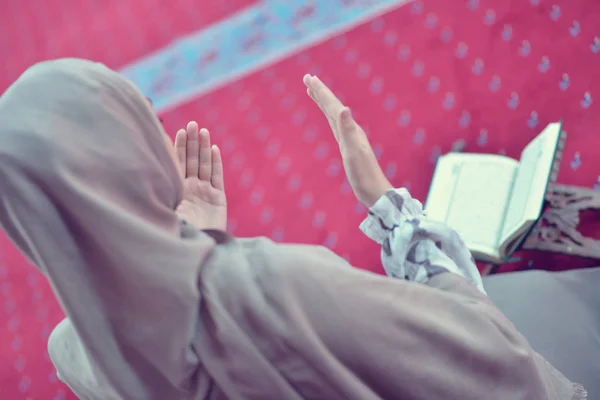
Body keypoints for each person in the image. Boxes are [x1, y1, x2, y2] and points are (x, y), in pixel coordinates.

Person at [0, 59, 585, 400]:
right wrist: (389, 207)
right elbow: (495, 360)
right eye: (140, 117)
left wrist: (190, 241)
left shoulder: (78, 353)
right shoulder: (272, 290)